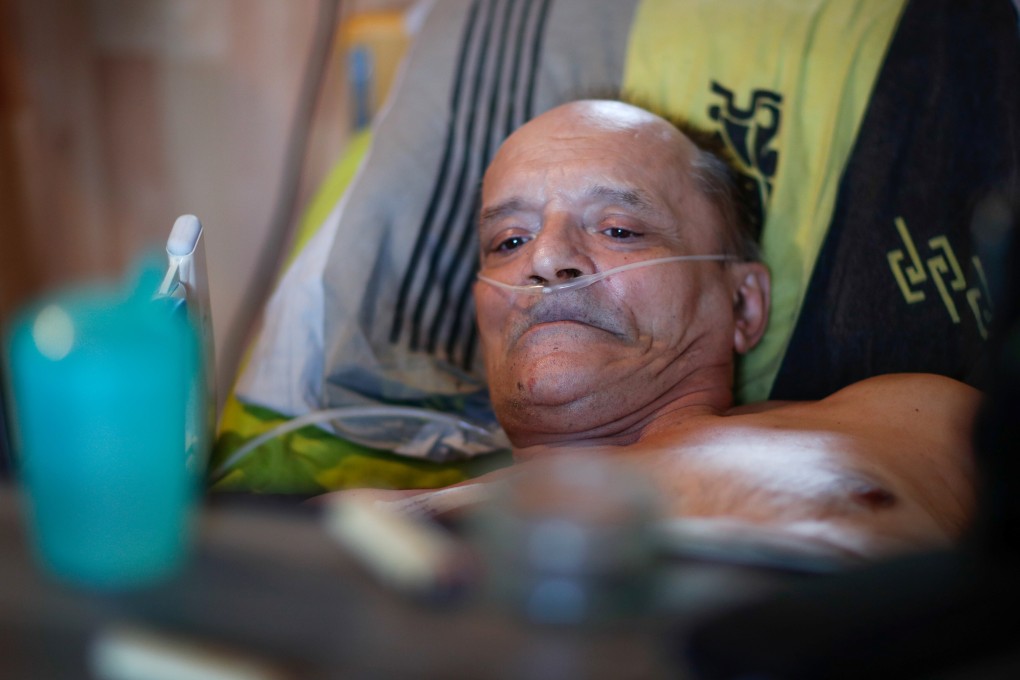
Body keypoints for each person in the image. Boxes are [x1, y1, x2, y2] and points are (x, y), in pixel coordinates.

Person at [331, 99, 980, 561]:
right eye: (508, 240)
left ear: (744, 307)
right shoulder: (364, 529)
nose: (546, 259)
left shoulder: (911, 418)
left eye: (619, 229)